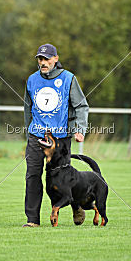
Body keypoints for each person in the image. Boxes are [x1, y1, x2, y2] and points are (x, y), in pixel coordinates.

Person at [23, 44, 89, 227]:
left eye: (46, 59)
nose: (43, 63)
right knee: (33, 176)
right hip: (37, 136)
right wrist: (29, 130)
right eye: (40, 59)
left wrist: (80, 129)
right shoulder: (31, 80)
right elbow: (27, 108)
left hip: (61, 138)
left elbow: (81, 106)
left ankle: (76, 205)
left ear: (56, 59)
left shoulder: (68, 79)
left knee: (65, 178)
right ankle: (32, 220)